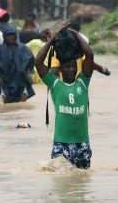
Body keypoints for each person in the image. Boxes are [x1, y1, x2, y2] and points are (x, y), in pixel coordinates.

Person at [35, 27, 94, 169]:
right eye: (67, 67)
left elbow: (89, 55)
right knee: (59, 182)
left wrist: (75, 34)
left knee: (81, 181)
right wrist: (50, 41)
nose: (72, 70)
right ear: (60, 69)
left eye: (74, 67)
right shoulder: (55, 84)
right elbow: (38, 62)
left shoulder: (83, 82)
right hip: (61, 143)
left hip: (82, 143)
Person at [0, 26, 35, 103]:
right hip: (5, 80)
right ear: (4, 36)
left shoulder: (23, 48)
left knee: (23, 101)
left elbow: (31, 60)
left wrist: (29, 70)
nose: (10, 37)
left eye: (12, 34)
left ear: (15, 36)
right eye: (8, 35)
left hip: (21, 79)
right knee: (6, 101)